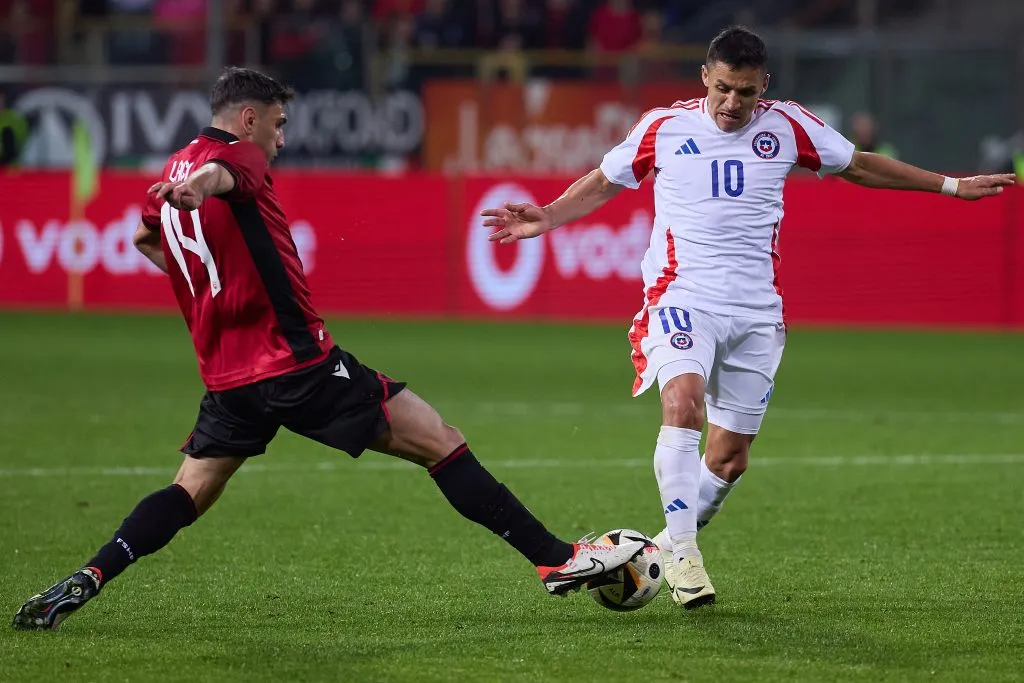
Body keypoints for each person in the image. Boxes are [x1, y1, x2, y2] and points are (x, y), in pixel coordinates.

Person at [12, 67, 642, 631]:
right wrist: (207, 188)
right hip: (298, 365)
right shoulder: (236, 159)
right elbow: (222, 175)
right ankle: (556, 559)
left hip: (228, 381)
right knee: (438, 439)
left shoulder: (173, 166)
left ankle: (90, 577)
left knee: (188, 492)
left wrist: (205, 256)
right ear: (249, 119)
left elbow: (149, 242)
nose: (281, 141)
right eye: (278, 126)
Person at [480, 26, 1015, 610]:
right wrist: (549, 216)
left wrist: (953, 186)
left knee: (729, 458)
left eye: (747, 93)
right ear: (706, 78)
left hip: (757, 311)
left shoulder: (787, 125)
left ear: (765, 86)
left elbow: (857, 165)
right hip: (682, 294)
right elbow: (608, 179)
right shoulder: (663, 127)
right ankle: (684, 553)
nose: (734, 104)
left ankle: (655, 554)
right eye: (725, 90)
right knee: (681, 399)